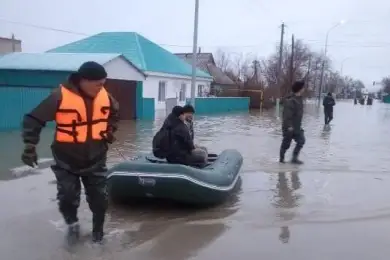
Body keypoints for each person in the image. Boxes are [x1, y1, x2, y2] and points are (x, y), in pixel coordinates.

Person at [21, 61, 119, 244]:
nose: (101, 87)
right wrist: (30, 147)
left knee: (100, 198)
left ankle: (98, 232)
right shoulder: (59, 96)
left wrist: (109, 130)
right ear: (83, 80)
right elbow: (32, 119)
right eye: (98, 83)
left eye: (103, 83)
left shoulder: (105, 97)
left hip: (96, 156)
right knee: (67, 196)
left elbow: (115, 113)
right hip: (66, 158)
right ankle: (73, 226)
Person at [279, 81, 306, 164]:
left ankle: (294, 158)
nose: (304, 89)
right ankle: (281, 159)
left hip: (297, 127)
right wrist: (289, 126)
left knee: (301, 140)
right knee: (286, 144)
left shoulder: (300, 99)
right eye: (303, 87)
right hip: (289, 127)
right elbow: (287, 116)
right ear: (299, 89)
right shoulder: (290, 101)